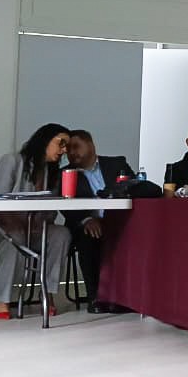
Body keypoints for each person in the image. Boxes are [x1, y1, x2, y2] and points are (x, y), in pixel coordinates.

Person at [0, 124, 72, 319]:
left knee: (61, 234)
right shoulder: (12, 161)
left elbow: (51, 211)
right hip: (0, 229)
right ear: (45, 139)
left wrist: (39, 222)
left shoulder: (53, 173)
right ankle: (2, 299)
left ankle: (47, 292)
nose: (64, 150)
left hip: (33, 229)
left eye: (66, 146)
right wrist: (16, 222)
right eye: (61, 143)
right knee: (16, 238)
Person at [61, 130, 134, 312]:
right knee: (89, 236)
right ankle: (96, 297)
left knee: (133, 236)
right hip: (86, 224)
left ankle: (125, 297)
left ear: (91, 145)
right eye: (68, 149)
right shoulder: (65, 173)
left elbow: (135, 188)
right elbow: (64, 206)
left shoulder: (117, 164)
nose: (72, 152)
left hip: (118, 221)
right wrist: (86, 219)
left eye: (76, 147)